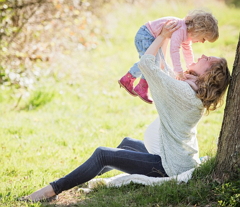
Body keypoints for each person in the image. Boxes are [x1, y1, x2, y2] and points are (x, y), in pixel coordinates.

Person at [19, 21, 230, 203]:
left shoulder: (183, 92)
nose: (202, 54)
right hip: (176, 157)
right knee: (126, 143)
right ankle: (80, 179)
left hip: (168, 166)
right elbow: (165, 70)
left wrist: (163, 36)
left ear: (208, 75)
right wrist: (165, 38)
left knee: (103, 154)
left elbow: (147, 64)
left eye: (208, 59)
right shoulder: (192, 91)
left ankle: (51, 190)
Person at [118, 10, 219, 104]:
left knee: (152, 62)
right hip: (145, 35)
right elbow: (174, 50)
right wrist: (178, 71)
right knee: (150, 61)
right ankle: (130, 79)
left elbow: (187, 51)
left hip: (149, 36)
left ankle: (141, 86)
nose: (202, 42)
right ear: (199, 30)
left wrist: (190, 66)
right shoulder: (181, 29)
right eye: (204, 39)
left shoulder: (187, 33)